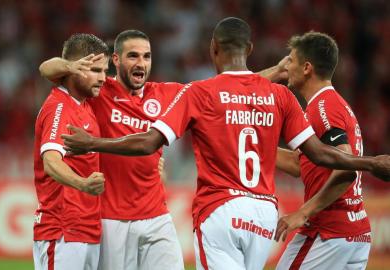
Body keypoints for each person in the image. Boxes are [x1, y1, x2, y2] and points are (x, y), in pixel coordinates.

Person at [60, 17, 390, 270]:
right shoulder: (278, 95)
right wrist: (371, 163)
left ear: (213, 49)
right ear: (248, 50)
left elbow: (148, 143)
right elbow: (318, 153)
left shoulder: (200, 93)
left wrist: (93, 142)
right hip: (263, 215)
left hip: (220, 209)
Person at [39, 29, 287, 270]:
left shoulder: (166, 94)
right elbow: (46, 69)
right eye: (133, 56)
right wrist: (71, 66)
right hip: (112, 219)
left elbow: (225, 91)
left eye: (146, 56)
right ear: (116, 60)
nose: (141, 63)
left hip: (156, 215)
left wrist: (277, 70)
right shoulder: (100, 89)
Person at [272, 32, 383, 269]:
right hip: (354, 232)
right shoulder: (330, 104)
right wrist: (259, 146)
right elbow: (298, 164)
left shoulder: (324, 106)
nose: (286, 66)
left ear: (307, 68)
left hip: (328, 231)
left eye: (291, 60)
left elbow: (346, 168)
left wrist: (303, 213)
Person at [33, 33, 109, 270]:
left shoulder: (84, 105)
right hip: (62, 229)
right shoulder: (60, 107)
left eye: (105, 70)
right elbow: (51, 162)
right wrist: (83, 184)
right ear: (75, 69)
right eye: (96, 70)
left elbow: (47, 68)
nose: (104, 78)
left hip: (85, 229)